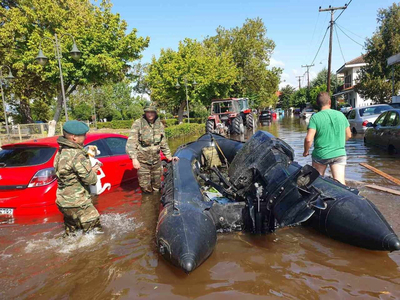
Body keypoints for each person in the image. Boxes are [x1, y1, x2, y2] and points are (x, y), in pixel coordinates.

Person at [54, 120, 102, 236]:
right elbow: (91, 180)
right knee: (96, 235)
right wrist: (93, 171)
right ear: (74, 137)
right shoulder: (77, 155)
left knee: (71, 235)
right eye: (83, 135)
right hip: (79, 203)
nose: (85, 138)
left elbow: (68, 173)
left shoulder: (60, 152)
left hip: (63, 202)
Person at [126, 105, 178, 193]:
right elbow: (131, 142)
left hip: (156, 161)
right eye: (147, 112)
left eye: (152, 112)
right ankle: (147, 204)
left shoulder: (159, 125)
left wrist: (169, 157)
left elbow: (163, 142)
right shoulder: (138, 123)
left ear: (155, 113)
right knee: (145, 188)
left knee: (157, 187)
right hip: (143, 162)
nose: (150, 114)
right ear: (145, 112)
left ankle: (156, 205)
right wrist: (134, 159)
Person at [303, 92, 351, 185]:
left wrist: (306, 151)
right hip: (339, 153)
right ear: (330, 102)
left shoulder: (315, 118)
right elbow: (349, 135)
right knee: (341, 184)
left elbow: (308, 139)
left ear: (317, 104)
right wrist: (339, 143)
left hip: (321, 155)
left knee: (317, 183)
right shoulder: (341, 115)